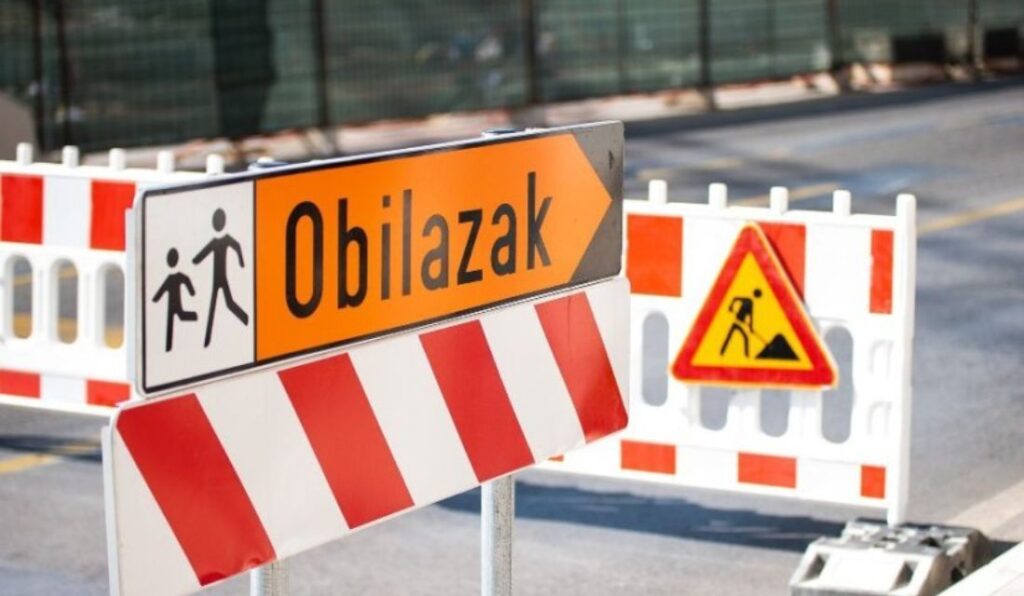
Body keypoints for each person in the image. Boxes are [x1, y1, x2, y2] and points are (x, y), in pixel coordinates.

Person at [193, 208, 249, 347]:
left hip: (221, 278)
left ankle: (244, 318)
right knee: (222, 303)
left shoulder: (223, 240)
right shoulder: (216, 242)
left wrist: (241, 262)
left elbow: (236, 246)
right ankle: (243, 318)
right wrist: (195, 260)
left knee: (220, 304)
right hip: (218, 279)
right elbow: (202, 254)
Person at [152, 248, 197, 352]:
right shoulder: (176, 277)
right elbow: (186, 280)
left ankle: (194, 316)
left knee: (177, 318)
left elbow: (161, 291)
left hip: (173, 306)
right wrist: (192, 292)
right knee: (175, 319)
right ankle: (168, 348)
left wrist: (156, 299)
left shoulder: (170, 278)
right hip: (173, 306)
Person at [720, 288, 762, 358]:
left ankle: (746, 356)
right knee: (736, 337)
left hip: (741, 323)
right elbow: (735, 298)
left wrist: (751, 327)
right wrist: (731, 306)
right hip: (737, 322)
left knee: (743, 338)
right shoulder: (748, 300)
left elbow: (751, 315)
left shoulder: (751, 303)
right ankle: (746, 355)